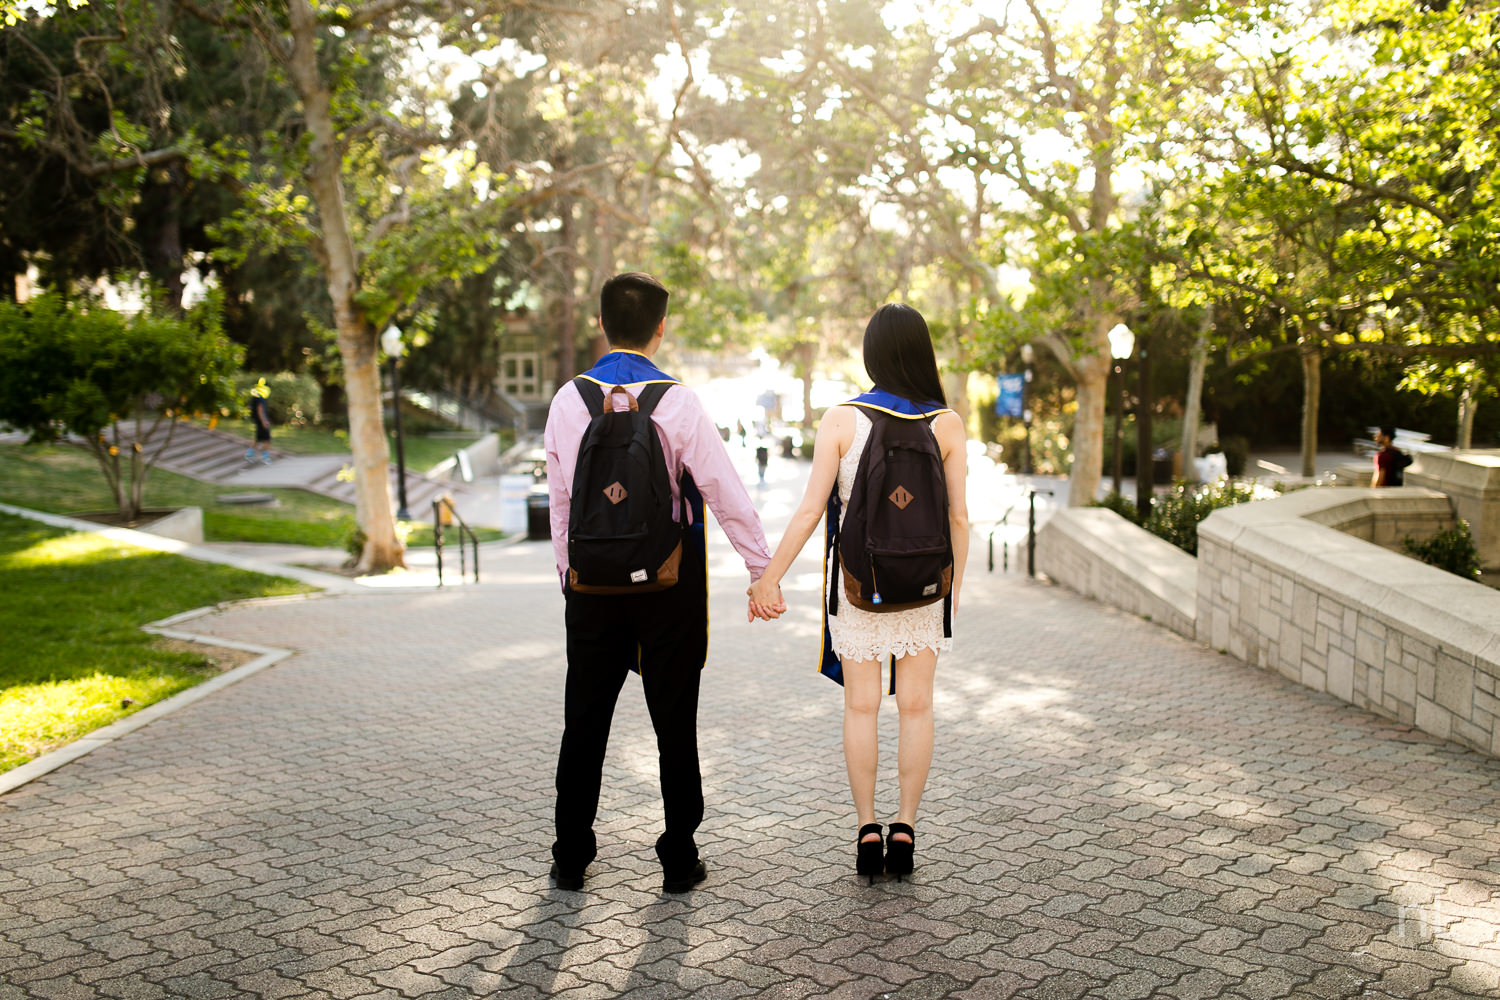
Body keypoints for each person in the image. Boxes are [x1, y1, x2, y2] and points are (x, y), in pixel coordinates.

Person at [544, 272, 773, 895]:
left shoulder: (568, 401)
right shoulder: (678, 402)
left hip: (592, 589)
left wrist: (569, 575)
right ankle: (678, 857)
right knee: (675, 723)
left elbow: (561, 502)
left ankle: (571, 854)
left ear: (601, 324)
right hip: (667, 586)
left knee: (584, 721)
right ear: (661, 327)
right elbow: (724, 490)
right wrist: (762, 570)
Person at [748, 303, 969, 882]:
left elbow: (809, 510)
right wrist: (950, 595)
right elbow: (960, 521)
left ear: (871, 354)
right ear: (923, 352)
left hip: (858, 588)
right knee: (917, 707)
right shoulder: (946, 423)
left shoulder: (842, 418)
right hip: (924, 592)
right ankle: (906, 829)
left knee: (861, 706)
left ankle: (867, 828)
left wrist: (769, 577)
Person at [246, 379, 273, 465]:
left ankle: (249, 455)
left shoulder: (256, 396)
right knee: (267, 439)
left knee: (258, 439)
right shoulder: (261, 397)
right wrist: (264, 421)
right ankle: (265, 457)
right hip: (261, 422)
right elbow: (260, 410)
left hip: (258, 421)